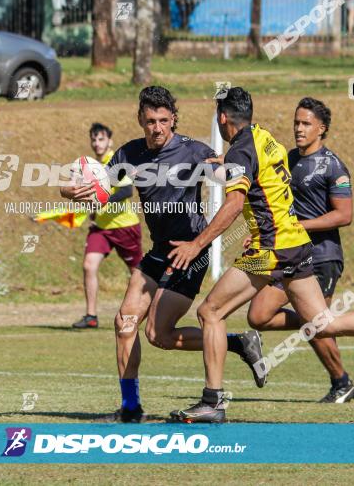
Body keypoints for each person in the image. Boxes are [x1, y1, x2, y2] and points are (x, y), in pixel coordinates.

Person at [167, 86, 354, 423]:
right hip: (295, 244)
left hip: (269, 250)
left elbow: (235, 203)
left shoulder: (243, 150)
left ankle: (212, 401)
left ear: (222, 118)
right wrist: (224, 163)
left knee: (211, 311)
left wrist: (198, 244)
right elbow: (258, 170)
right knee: (323, 323)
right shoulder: (263, 137)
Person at [61, 86, 265, 423]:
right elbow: (98, 186)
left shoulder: (194, 150)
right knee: (125, 323)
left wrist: (226, 172)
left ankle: (233, 342)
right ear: (140, 119)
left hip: (190, 251)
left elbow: (225, 179)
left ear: (173, 120)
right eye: (151, 120)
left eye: (164, 121)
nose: (157, 128)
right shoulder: (130, 153)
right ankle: (130, 409)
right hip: (159, 251)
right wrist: (71, 190)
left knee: (157, 333)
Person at [246, 97, 354, 403]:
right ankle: (313, 323)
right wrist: (263, 234)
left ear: (321, 128)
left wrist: (299, 227)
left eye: (306, 123)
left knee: (316, 323)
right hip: (286, 252)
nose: (299, 128)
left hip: (323, 257)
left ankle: (341, 383)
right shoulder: (288, 159)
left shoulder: (333, 165)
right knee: (258, 315)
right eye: (297, 122)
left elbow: (344, 215)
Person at [72, 123, 143, 329]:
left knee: (138, 273)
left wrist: (101, 201)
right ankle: (91, 316)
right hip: (101, 227)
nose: (97, 143)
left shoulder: (118, 160)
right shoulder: (91, 166)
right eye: (93, 139)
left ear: (110, 141)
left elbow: (126, 191)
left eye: (101, 139)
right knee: (89, 265)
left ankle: (152, 307)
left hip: (124, 226)